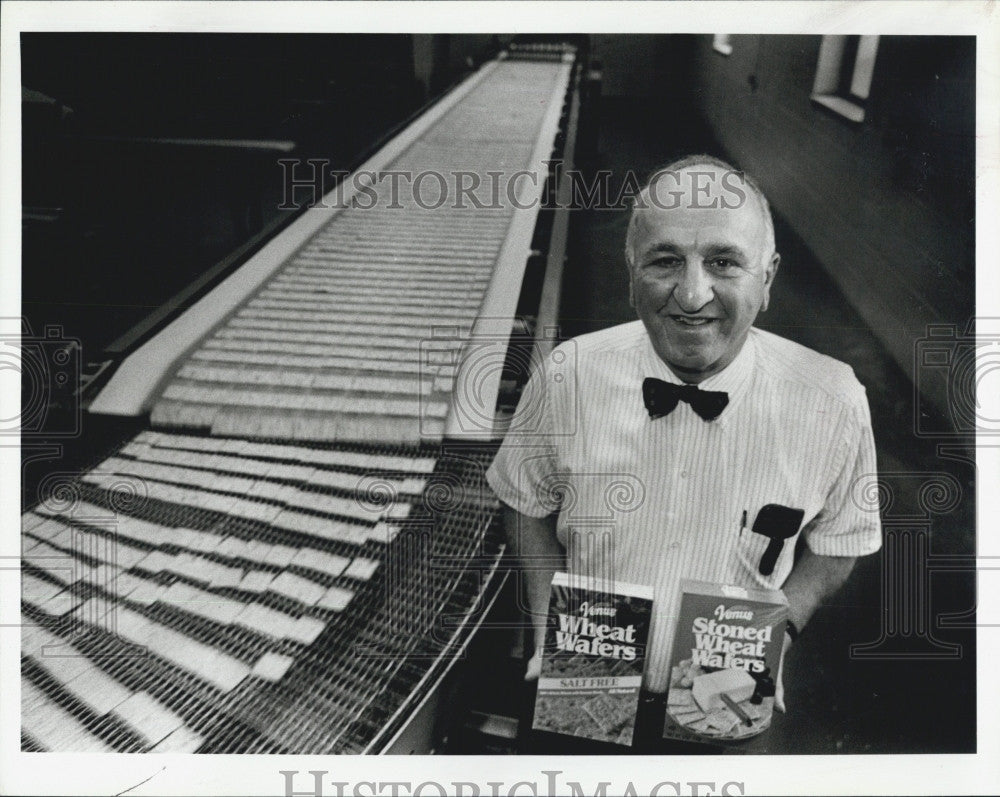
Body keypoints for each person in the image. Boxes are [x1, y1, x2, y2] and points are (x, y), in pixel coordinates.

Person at [485, 154, 882, 752]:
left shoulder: (834, 401)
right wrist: (548, 626)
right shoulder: (567, 374)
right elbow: (524, 504)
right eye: (666, 260)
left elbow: (840, 545)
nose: (693, 295)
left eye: (724, 262)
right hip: (584, 679)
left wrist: (780, 631)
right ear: (630, 272)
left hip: (727, 695)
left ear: (768, 278)